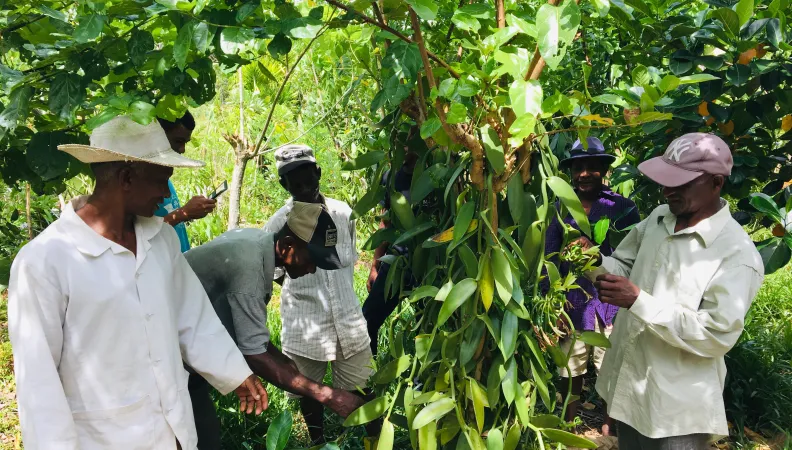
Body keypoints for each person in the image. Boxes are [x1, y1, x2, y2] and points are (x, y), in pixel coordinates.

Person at [7, 116, 267, 450]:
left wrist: (233, 373)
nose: (165, 193)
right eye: (162, 180)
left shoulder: (160, 239)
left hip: (173, 434)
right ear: (127, 177)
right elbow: (38, 384)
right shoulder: (45, 261)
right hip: (104, 439)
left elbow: (193, 317)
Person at [578, 133, 764, 449]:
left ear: (716, 183)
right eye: (665, 181)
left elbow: (716, 334)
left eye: (680, 183)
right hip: (632, 389)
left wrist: (638, 301)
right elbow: (623, 267)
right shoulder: (658, 219)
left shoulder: (736, 254)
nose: (667, 191)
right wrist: (595, 261)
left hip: (676, 411)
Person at [183, 203, 366, 449]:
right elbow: (254, 354)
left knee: (203, 436)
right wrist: (328, 396)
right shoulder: (248, 269)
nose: (312, 269)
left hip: (190, 352)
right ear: (288, 245)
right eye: (311, 260)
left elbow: (252, 338)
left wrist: (283, 362)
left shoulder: (256, 241)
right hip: (163, 353)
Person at [263, 144, 372, 444]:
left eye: (306, 176)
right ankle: (318, 442)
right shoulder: (276, 224)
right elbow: (274, 274)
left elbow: (349, 258)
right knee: (309, 392)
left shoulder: (342, 213)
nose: (301, 185)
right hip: (305, 325)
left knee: (362, 388)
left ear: (318, 173)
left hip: (348, 319)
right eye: (292, 180)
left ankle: (370, 439)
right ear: (283, 184)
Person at [544, 137, 640, 435]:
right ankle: (569, 420)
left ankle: (612, 421)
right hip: (571, 301)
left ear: (603, 169)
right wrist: (553, 301)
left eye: (591, 167)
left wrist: (596, 251)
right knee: (570, 366)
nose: (584, 173)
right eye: (577, 167)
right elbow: (549, 255)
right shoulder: (561, 206)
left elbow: (632, 257)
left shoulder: (622, 208)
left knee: (612, 363)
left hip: (609, 301)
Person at [363, 129, 421, 355]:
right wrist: (375, 265)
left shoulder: (438, 175)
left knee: (425, 324)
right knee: (368, 318)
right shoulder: (392, 178)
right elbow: (385, 222)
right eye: (400, 144)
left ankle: (422, 381)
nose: (403, 149)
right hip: (396, 262)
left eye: (408, 143)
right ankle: (365, 376)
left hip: (428, 264)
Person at [156, 111, 217, 252]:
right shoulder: (141, 183)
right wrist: (184, 212)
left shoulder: (165, 178)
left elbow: (163, 219)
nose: (182, 149)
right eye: (178, 141)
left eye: (185, 142)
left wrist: (188, 213)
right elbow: (142, 234)